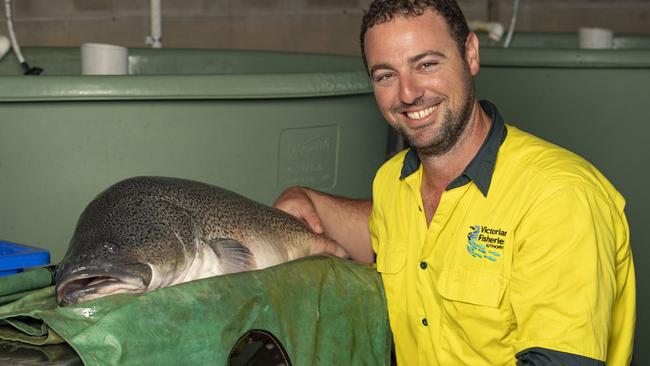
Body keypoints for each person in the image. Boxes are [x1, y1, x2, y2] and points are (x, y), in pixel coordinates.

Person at [273, 0, 636, 364]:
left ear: (471, 55)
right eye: (386, 75)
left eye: (426, 64)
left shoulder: (557, 196)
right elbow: (383, 234)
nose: (408, 93)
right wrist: (303, 196)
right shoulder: (393, 182)